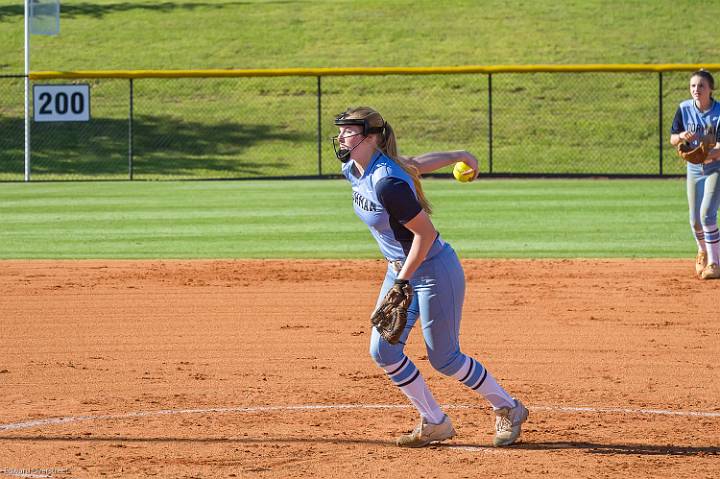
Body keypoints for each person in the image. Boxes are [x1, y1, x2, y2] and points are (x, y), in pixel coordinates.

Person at [332, 106, 528, 447]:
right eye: (341, 130)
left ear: (370, 137)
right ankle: (435, 421)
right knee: (384, 352)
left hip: (434, 269)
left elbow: (424, 235)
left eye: (348, 131)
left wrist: (401, 282)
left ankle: (508, 407)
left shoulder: (388, 183)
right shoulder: (354, 168)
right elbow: (417, 163)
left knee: (445, 358)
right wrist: (460, 154)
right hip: (401, 271)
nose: (341, 136)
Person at [670, 70, 720, 279]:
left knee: (707, 214)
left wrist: (706, 154)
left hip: (715, 167)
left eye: (701, 86)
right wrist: (682, 137)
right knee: (694, 220)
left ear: (710, 89)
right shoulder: (683, 108)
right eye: (693, 86)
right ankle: (703, 251)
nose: (696, 90)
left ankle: (715, 264)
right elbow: (673, 139)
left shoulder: (719, 112)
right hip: (694, 170)